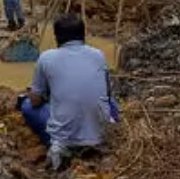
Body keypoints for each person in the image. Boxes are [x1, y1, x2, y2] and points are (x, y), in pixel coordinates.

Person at [20, 14, 116, 170]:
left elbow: (35, 101)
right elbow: (107, 92)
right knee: (111, 102)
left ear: (57, 37)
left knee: (27, 106)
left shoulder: (46, 58)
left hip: (66, 140)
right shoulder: (98, 55)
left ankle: (55, 143)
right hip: (100, 136)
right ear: (82, 35)